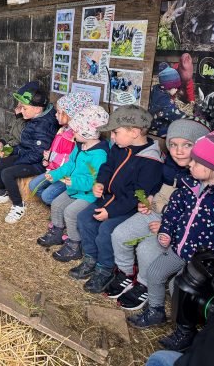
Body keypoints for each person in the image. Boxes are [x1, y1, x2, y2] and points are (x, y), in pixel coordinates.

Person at [126, 130, 214, 332]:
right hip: (179, 247)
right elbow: (172, 212)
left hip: (202, 262)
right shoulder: (189, 186)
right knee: (155, 273)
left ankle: (184, 330)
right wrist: (166, 230)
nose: (190, 163)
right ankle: (156, 311)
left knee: (180, 290)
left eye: (196, 162)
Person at [107, 119, 210, 310]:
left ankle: (144, 284)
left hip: (177, 226)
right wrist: (150, 199)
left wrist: (167, 227)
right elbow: (157, 185)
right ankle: (126, 274)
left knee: (146, 250)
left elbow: (196, 219)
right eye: (173, 144)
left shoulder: (204, 176)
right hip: (159, 211)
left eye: (187, 145)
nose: (178, 151)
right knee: (119, 234)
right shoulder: (169, 165)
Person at [69, 105, 164, 293]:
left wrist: (109, 211)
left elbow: (137, 195)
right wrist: (100, 183)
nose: (112, 137)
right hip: (109, 199)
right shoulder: (120, 147)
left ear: (135, 132)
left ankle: (105, 268)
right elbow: (106, 167)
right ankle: (91, 258)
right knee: (83, 219)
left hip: (128, 207)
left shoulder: (150, 161)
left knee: (106, 230)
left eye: (116, 132)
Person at [38, 105, 110, 262]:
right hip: (74, 189)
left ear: (87, 132)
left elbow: (95, 179)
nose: (73, 134)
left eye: (76, 131)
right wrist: (55, 174)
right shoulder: (80, 146)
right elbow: (70, 164)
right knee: (57, 204)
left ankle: (74, 245)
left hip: (89, 194)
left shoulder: (99, 155)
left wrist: (75, 181)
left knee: (70, 213)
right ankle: (57, 232)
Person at [0, 84, 58, 223]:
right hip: (28, 154)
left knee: (7, 172)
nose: (21, 111)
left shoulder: (43, 125)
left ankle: (18, 205)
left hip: (38, 163)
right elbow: (27, 145)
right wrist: (12, 152)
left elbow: (37, 154)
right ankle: (1, 193)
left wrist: (16, 159)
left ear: (37, 109)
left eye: (24, 108)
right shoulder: (35, 118)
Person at [29, 91, 96, 205]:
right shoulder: (62, 129)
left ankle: (59, 205)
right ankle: (55, 204)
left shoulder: (77, 137)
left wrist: (52, 156)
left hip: (66, 176)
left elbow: (71, 161)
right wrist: (48, 159)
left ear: (71, 115)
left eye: (59, 112)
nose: (55, 114)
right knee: (33, 185)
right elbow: (55, 148)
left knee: (47, 196)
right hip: (54, 170)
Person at [0, 82, 34, 177]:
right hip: (9, 145)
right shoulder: (19, 113)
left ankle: (3, 185)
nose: (18, 103)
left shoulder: (29, 117)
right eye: (18, 100)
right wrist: (1, 142)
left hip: (18, 148)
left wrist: (19, 116)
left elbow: (22, 136)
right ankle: (0, 182)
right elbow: (8, 131)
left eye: (21, 101)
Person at [149, 63, 188, 137]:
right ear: (168, 87)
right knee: (171, 129)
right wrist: (188, 117)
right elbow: (174, 114)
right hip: (156, 124)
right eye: (175, 87)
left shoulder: (157, 90)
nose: (176, 90)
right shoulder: (164, 102)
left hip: (156, 117)